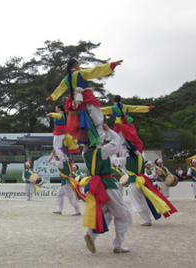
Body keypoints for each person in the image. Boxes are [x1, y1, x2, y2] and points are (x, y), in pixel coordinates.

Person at [47, 59, 123, 146]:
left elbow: (60, 88)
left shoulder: (66, 79)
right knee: (97, 121)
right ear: (76, 64)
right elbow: (95, 70)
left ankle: (89, 144)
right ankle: (100, 142)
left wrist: (53, 96)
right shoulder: (80, 73)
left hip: (76, 102)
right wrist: (112, 65)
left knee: (84, 122)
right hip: (87, 98)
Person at [80, 124, 131, 254]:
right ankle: (118, 245)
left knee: (105, 214)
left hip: (95, 186)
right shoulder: (102, 151)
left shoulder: (85, 152)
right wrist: (108, 130)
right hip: (107, 184)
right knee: (123, 214)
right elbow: (117, 141)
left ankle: (91, 236)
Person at [120, 145, 177, 227]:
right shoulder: (141, 158)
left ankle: (146, 219)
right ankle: (147, 218)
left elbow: (114, 160)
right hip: (142, 180)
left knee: (138, 201)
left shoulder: (125, 160)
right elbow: (143, 154)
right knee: (145, 200)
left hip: (134, 182)